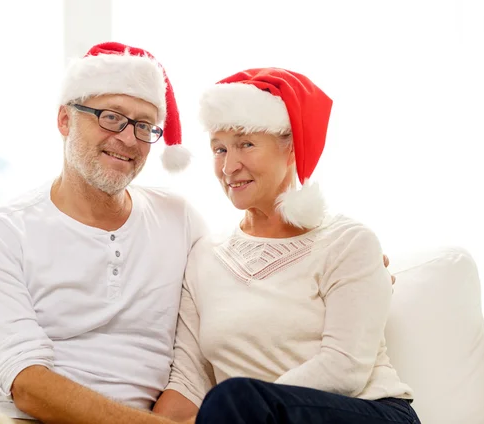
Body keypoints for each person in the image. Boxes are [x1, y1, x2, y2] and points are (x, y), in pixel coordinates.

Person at [0, 42, 205, 424]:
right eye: (111, 117)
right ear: (65, 120)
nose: (129, 139)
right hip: (6, 416)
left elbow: (192, 360)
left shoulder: (180, 220)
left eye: (144, 125)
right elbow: (27, 385)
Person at [152, 68, 421, 424]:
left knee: (237, 399)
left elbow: (345, 369)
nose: (229, 166)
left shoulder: (347, 241)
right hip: (243, 414)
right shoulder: (204, 256)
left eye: (246, 144)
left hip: (369, 412)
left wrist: (246, 410)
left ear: (291, 147)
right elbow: (188, 382)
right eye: (219, 149)